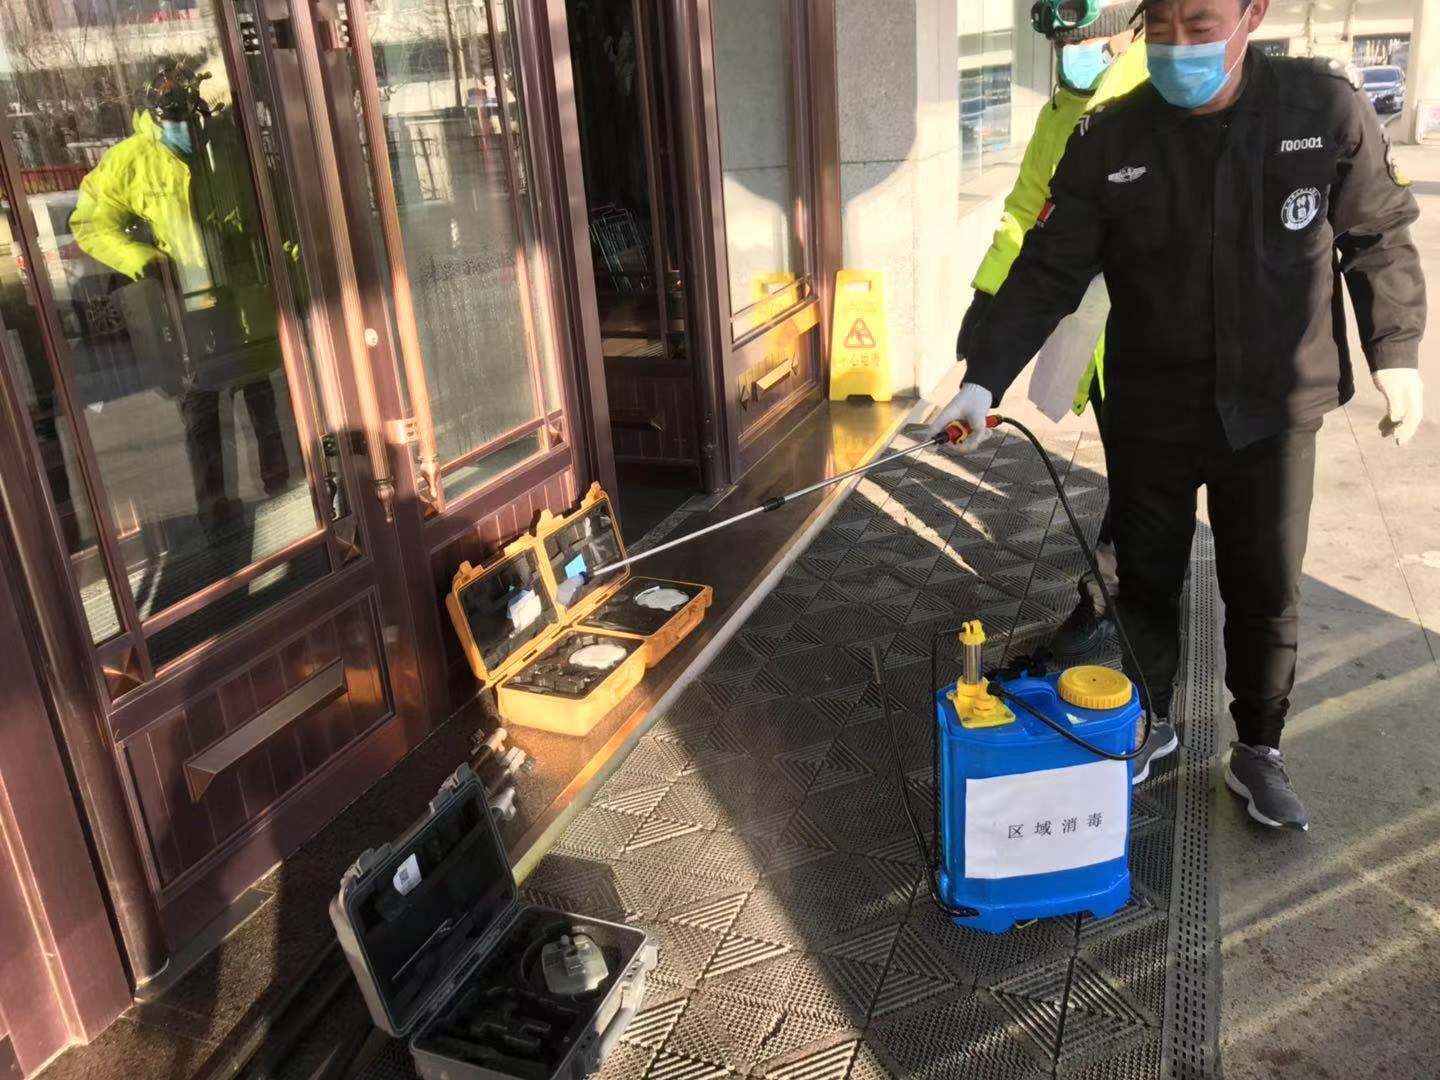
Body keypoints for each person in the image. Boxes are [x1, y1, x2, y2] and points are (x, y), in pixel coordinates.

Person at [931, 0, 1426, 831]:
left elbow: (1377, 234)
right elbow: (1048, 267)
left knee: (1264, 584)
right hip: (1151, 404)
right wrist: (985, 379)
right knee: (1144, 576)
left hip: (1273, 407)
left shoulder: (1322, 109)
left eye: (1200, 26)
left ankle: (1259, 747)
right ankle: (1148, 720)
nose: (1176, 47)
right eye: (1160, 28)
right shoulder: (1110, 136)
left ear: (1252, 13)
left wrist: (1397, 352)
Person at [72, 62, 289, 538]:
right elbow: (89, 222)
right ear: (154, 118)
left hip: (244, 304)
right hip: (185, 311)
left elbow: (276, 210)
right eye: (173, 122)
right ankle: (217, 511)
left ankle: (281, 489)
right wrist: (140, 259)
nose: (182, 130)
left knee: (262, 402)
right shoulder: (131, 161)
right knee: (202, 416)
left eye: (189, 120)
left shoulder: (227, 149)